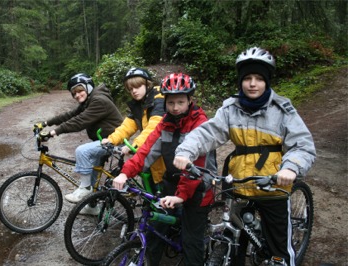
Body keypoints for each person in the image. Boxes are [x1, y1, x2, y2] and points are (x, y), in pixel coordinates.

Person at [173, 47, 316, 266]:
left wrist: (291, 168)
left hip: (273, 185)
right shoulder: (230, 109)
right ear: (240, 81)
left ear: (267, 81)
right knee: (233, 240)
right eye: (247, 78)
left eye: (259, 78)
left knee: (280, 252)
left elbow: (303, 146)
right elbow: (207, 133)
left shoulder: (282, 110)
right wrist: (185, 151)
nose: (252, 83)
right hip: (238, 183)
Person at [112, 73, 215, 266]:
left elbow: (198, 167)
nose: (175, 108)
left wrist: (182, 196)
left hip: (198, 188)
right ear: (165, 102)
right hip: (171, 184)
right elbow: (145, 152)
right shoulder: (165, 123)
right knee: (155, 231)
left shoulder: (201, 125)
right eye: (171, 103)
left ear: (190, 101)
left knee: (191, 242)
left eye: (180, 102)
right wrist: (125, 173)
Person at [37, 73, 123, 203]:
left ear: (88, 88)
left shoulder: (98, 100)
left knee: (82, 151)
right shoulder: (89, 100)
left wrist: (53, 132)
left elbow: (79, 121)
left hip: (114, 141)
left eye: (80, 91)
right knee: (93, 174)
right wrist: (45, 123)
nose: (77, 95)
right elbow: (70, 115)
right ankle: (92, 206)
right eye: (74, 94)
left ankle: (85, 188)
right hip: (103, 141)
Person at [101, 67, 166, 186]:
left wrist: (134, 145)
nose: (134, 91)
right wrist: (111, 139)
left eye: (137, 87)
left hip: (164, 153)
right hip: (150, 152)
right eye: (130, 89)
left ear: (147, 84)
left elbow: (154, 127)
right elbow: (126, 126)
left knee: (163, 189)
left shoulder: (159, 100)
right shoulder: (139, 104)